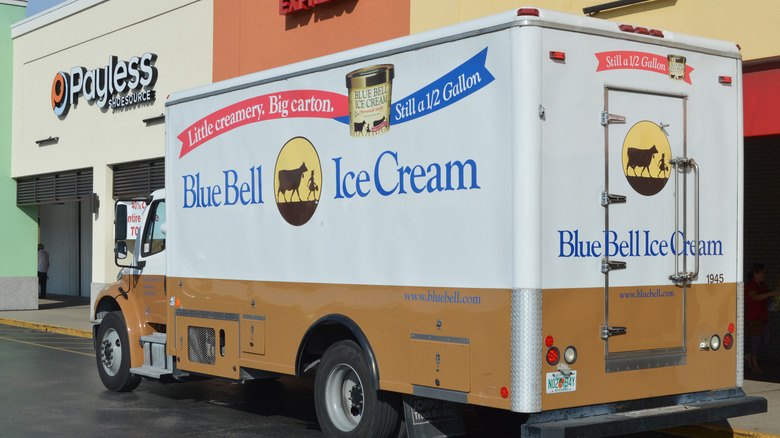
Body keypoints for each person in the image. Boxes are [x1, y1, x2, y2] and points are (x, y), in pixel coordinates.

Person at [745, 262, 778, 373]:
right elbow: (755, 297)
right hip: (754, 319)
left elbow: (767, 299)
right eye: (762, 273)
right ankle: (755, 366)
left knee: (766, 341)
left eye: (765, 273)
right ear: (755, 273)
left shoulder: (763, 286)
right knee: (756, 342)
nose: (764, 275)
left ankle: (749, 356)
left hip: (763, 319)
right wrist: (770, 293)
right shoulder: (750, 285)